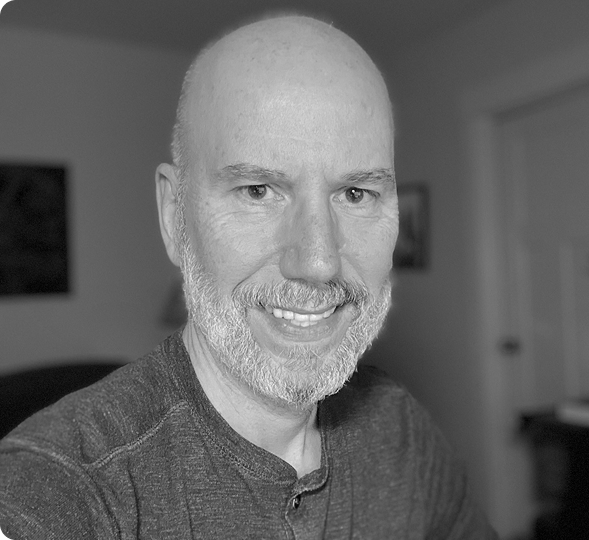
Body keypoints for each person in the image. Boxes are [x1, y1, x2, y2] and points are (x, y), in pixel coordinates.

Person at [0, 15, 498, 539]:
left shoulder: (400, 432)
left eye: (356, 194)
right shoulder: (60, 488)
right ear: (174, 216)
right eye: (258, 190)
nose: (318, 262)